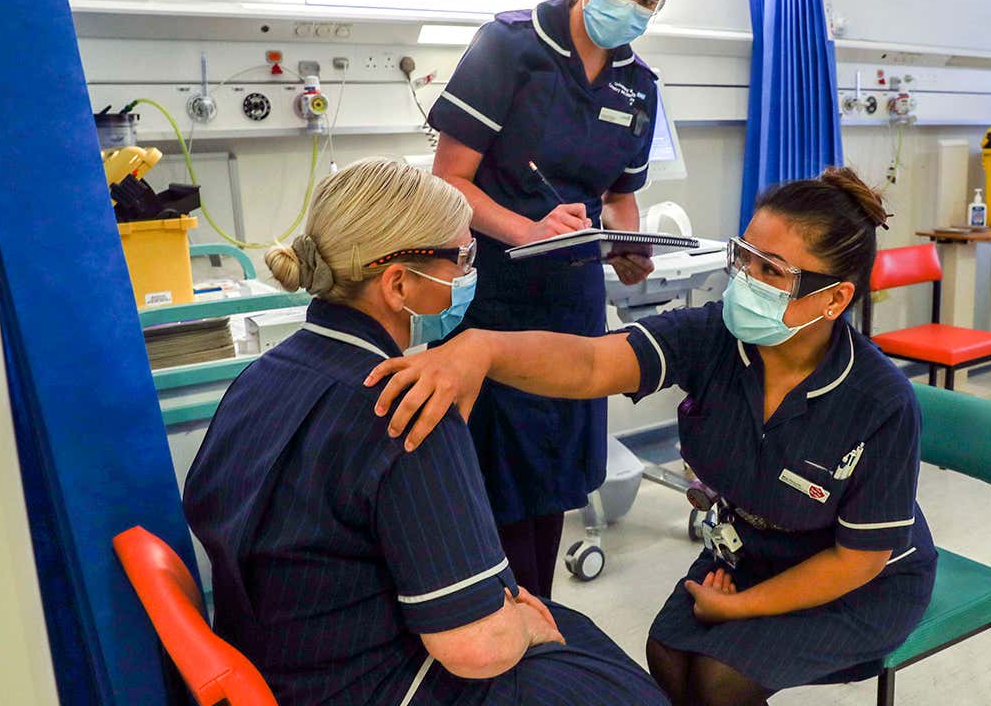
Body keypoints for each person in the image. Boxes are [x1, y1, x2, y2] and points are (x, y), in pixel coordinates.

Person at [366, 168, 939, 706]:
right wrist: (481, 349)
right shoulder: (714, 338)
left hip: (858, 581)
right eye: (744, 257)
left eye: (772, 271)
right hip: (750, 551)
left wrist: (741, 608)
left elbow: (858, 561)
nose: (745, 280)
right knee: (667, 656)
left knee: (719, 680)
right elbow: (591, 364)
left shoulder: (877, 401)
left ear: (834, 298)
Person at [182, 158, 669, 706]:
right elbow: (479, 649)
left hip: (276, 660)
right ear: (397, 283)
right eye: (462, 258)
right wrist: (526, 626)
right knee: (593, 660)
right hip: (371, 685)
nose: (468, 275)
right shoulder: (410, 411)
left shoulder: (260, 377)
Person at [426, 0, 678, 598]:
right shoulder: (508, 47)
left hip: (574, 308)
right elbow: (448, 183)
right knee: (498, 494)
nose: (633, 8)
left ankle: (537, 626)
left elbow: (621, 195)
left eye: (650, 0)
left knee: (554, 491)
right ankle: (499, 631)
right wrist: (527, 229)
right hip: (495, 303)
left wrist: (628, 246)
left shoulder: (639, 85)